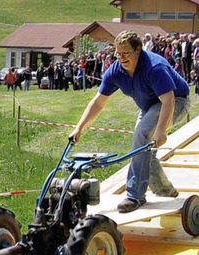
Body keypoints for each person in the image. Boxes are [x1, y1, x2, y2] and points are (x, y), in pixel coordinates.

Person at [69, 30, 191, 213]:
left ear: (138, 50)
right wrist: (79, 128)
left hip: (177, 101)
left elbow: (169, 100)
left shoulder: (154, 67)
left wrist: (161, 131)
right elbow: (98, 102)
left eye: (126, 53)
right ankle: (166, 192)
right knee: (143, 149)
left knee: (141, 136)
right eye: (118, 53)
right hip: (149, 107)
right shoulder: (116, 71)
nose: (122, 57)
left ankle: (135, 196)